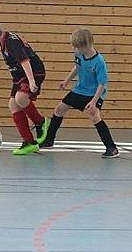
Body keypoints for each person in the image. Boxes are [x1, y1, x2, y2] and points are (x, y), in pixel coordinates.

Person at [39, 27, 119, 158]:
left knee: (94, 116)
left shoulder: (99, 62)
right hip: (79, 90)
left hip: (94, 93)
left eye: (76, 47)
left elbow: (102, 84)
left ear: (85, 46)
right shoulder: (79, 54)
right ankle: (49, 140)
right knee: (59, 109)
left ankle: (111, 148)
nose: (74, 49)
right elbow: (77, 67)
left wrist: (94, 101)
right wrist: (66, 81)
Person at [0, 20, 52, 156]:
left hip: (33, 72)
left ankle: (40, 122)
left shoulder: (10, 42)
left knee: (21, 98)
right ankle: (29, 142)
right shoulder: (4, 41)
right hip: (20, 76)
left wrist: (31, 81)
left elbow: (25, 61)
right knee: (13, 105)